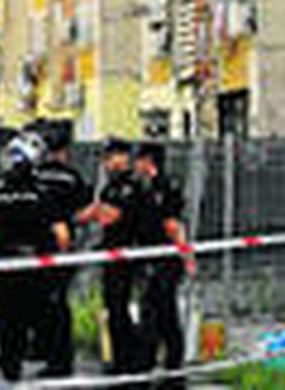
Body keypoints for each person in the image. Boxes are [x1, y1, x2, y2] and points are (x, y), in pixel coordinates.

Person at [0, 133, 63, 382]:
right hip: (36, 265)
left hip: (4, 265)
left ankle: (10, 363)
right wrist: (59, 260)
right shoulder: (42, 193)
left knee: (7, 317)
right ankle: (49, 360)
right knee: (40, 313)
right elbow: (61, 233)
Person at [30, 121, 90, 377]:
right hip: (63, 246)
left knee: (40, 301)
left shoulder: (35, 176)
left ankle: (42, 348)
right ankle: (61, 359)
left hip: (37, 246)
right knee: (59, 304)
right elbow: (83, 212)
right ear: (65, 152)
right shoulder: (72, 178)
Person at [78, 138, 142, 375]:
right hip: (112, 256)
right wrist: (92, 212)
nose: (106, 163)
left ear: (123, 157)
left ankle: (131, 360)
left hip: (131, 255)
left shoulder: (131, 185)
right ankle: (118, 358)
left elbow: (109, 216)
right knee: (114, 308)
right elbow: (91, 213)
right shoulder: (110, 187)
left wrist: (96, 211)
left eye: (110, 157)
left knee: (126, 309)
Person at [134, 142, 192, 388]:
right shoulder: (147, 187)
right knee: (163, 316)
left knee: (157, 316)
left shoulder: (165, 187)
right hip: (153, 259)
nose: (136, 165)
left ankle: (162, 372)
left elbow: (173, 226)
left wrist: (186, 256)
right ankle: (169, 372)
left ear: (149, 161)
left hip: (164, 261)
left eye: (139, 160)